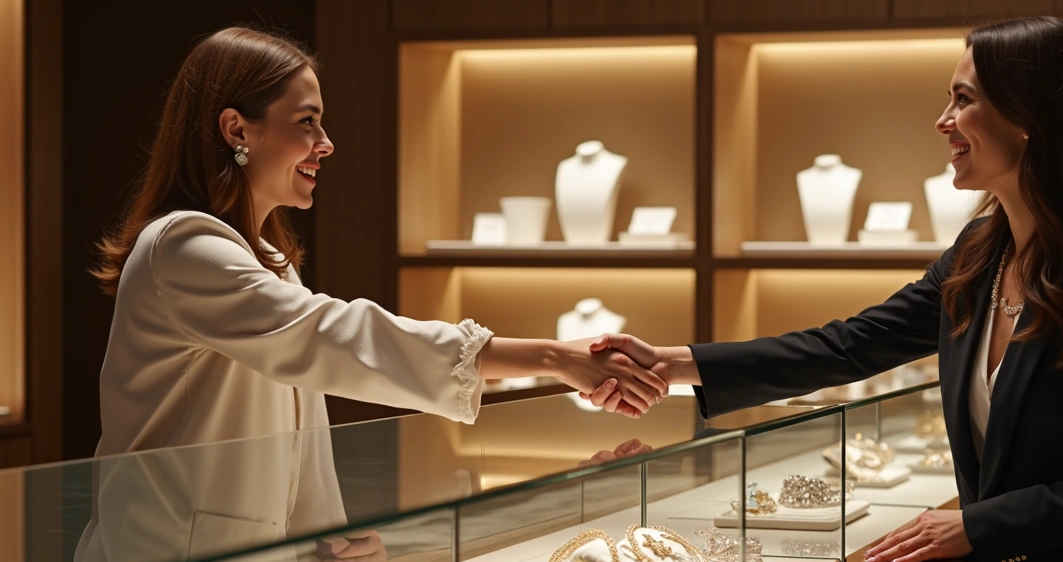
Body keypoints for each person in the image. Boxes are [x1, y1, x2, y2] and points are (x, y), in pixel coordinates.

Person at [582, 16, 1063, 562]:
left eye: (963, 99)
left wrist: (977, 525)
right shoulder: (978, 253)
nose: (943, 121)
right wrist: (673, 365)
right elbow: (849, 347)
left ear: (1029, 116)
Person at [89, 27, 666, 457]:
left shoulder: (270, 263)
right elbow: (335, 338)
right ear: (237, 129)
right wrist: (552, 356)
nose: (326, 143)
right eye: (307, 121)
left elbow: (302, 441)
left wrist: (325, 544)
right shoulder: (183, 247)